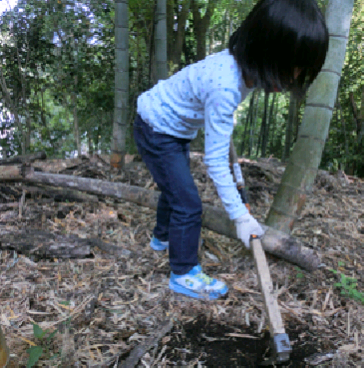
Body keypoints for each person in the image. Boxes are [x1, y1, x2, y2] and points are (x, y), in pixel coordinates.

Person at [134, 0, 329, 300]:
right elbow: (214, 162)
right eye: (292, 67)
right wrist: (240, 216)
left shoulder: (241, 70)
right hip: (157, 128)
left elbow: (219, 130)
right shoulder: (225, 85)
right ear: (267, 52)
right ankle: (183, 272)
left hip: (172, 127)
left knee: (174, 187)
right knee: (187, 203)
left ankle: (162, 239)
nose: (293, 78)